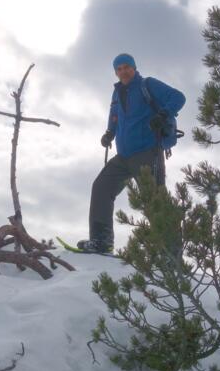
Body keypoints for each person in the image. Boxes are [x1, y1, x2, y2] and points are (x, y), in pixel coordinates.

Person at [78, 53, 185, 254]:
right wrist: (110, 133)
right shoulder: (117, 92)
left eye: (127, 67)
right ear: (116, 72)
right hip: (124, 156)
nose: (123, 72)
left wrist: (163, 114)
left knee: (155, 200)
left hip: (147, 152)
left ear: (134, 68)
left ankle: (170, 253)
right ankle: (101, 241)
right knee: (101, 187)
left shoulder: (147, 85)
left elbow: (178, 97)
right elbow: (115, 116)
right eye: (119, 69)